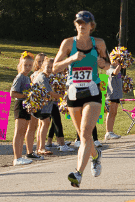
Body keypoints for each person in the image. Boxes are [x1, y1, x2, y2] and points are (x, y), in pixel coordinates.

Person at [53, 11, 110, 187]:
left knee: (86, 133)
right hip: (73, 93)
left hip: (92, 91)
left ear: (91, 26)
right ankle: (95, 155)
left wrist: (107, 66)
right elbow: (54, 67)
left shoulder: (98, 43)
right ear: (75, 24)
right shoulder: (68, 43)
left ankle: (78, 174)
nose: (82, 25)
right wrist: (71, 58)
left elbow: (107, 65)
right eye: (79, 22)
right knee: (82, 136)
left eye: (85, 22)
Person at [32, 57, 64, 156]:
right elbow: (50, 92)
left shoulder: (46, 76)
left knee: (43, 124)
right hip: (41, 105)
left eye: (51, 67)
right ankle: (41, 147)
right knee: (45, 123)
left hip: (44, 104)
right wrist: (63, 97)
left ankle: (40, 147)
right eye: (47, 67)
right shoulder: (42, 77)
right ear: (42, 66)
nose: (49, 69)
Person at [10, 51, 35, 166]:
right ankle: (17, 158)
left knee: (23, 131)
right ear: (21, 65)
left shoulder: (27, 77)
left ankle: (20, 156)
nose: (28, 67)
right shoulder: (20, 77)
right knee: (19, 132)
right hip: (20, 105)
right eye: (25, 65)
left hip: (26, 106)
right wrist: (25, 96)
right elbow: (13, 93)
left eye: (30, 65)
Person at [104, 53, 122, 140]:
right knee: (110, 112)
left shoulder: (117, 68)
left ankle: (111, 131)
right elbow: (115, 73)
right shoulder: (109, 68)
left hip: (117, 93)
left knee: (114, 113)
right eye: (115, 60)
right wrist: (120, 64)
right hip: (110, 94)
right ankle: (108, 132)